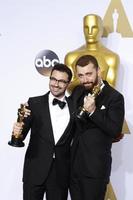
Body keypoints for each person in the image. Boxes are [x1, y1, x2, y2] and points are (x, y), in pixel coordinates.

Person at [12, 64, 73, 200]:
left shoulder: (74, 106)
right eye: (53, 79)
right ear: (50, 79)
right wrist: (16, 132)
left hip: (60, 174)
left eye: (62, 81)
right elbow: (20, 136)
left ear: (68, 83)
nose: (56, 84)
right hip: (34, 170)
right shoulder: (34, 103)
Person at [69, 55, 125, 200]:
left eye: (89, 74)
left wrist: (93, 111)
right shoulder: (77, 92)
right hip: (74, 167)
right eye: (80, 75)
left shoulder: (114, 97)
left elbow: (115, 130)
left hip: (95, 170)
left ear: (98, 71)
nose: (85, 79)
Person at [64, 14, 119, 92]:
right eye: (86, 28)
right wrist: (94, 79)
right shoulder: (71, 57)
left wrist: (80, 80)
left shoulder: (111, 57)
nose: (90, 32)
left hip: (103, 103)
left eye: (94, 28)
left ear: (101, 30)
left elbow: (111, 88)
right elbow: (69, 88)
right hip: (78, 103)